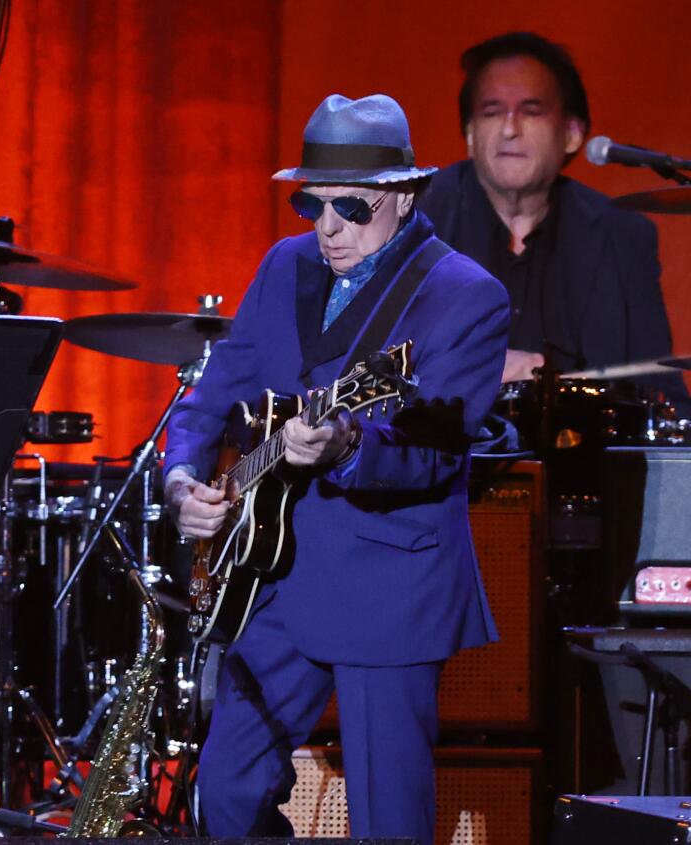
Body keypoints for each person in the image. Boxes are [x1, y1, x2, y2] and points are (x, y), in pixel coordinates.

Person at [163, 93, 509, 845]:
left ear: (402, 195)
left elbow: (435, 449)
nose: (327, 228)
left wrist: (349, 445)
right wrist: (182, 479)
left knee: (388, 821)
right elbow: (210, 397)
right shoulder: (285, 265)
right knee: (225, 790)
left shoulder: (466, 295)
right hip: (275, 577)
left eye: (349, 208)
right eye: (311, 204)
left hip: (390, 585)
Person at [420, 31, 691, 419]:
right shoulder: (415, 219)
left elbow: (659, 389)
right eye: (491, 112)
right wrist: (481, 370)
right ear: (469, 135)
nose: (509, 129)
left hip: (579, 462)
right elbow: (361, 364)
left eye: (531, 111)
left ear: (571, 134)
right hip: (439, 461)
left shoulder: (623, 235)